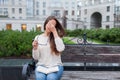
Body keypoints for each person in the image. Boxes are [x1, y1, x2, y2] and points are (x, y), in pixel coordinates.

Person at [32, 16, 65, 80]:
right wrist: (35, 48)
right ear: (45, 24)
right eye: (49, 24)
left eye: (53, 25)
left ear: (55, 27)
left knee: (51, 78)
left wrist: (55, 32)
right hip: (42, 66)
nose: (50, 26)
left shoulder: (57, 38)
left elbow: (61, 49)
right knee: (40, 78)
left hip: (55, 66)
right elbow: (36, 57)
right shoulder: (38, 37)